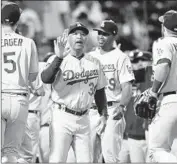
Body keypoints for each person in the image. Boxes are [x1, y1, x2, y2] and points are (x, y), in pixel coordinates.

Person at [41, 22, 108, 163]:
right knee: (57, 160)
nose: (79, 36)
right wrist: (58, 58)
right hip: (62, 116)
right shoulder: (58, 59)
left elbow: (100, 90)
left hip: (84, 118)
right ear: (67, 37)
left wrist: (103, 114)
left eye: (83, 34)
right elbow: (46, 78)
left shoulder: (94, 62)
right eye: (75, 33)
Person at [89, 20, 135, 163]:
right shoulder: (90, 56)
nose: (101, 36)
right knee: (88, 158)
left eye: (105, 34)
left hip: (112, 108)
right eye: (99, 33)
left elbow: (127, 86)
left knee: (110, 157)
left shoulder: (120, 57)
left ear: (113, 36)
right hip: (91, 110)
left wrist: (122, 106)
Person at [1, 2, 39, 163]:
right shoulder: (27, 42)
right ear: (18, 21)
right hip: (18, 99)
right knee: (11, 150)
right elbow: (32, 76)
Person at [147, 10, 177, 162]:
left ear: (165, 27)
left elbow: (164, 65)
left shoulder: (165, 42)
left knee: (157, 150)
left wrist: (153, 92)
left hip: (171, 100)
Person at [119, 50, 153, 163]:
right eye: (136, 61)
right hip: (125, 135)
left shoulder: (150, 79)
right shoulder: (126, 81)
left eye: (143, 60)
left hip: (144, 135)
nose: (139, 63)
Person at [18, 61, 46, 163]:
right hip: (31, 115)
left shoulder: (18, 70)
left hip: (17, 114)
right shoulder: (38, 68)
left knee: (15, 151)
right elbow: (41, 92)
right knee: (30, 152)